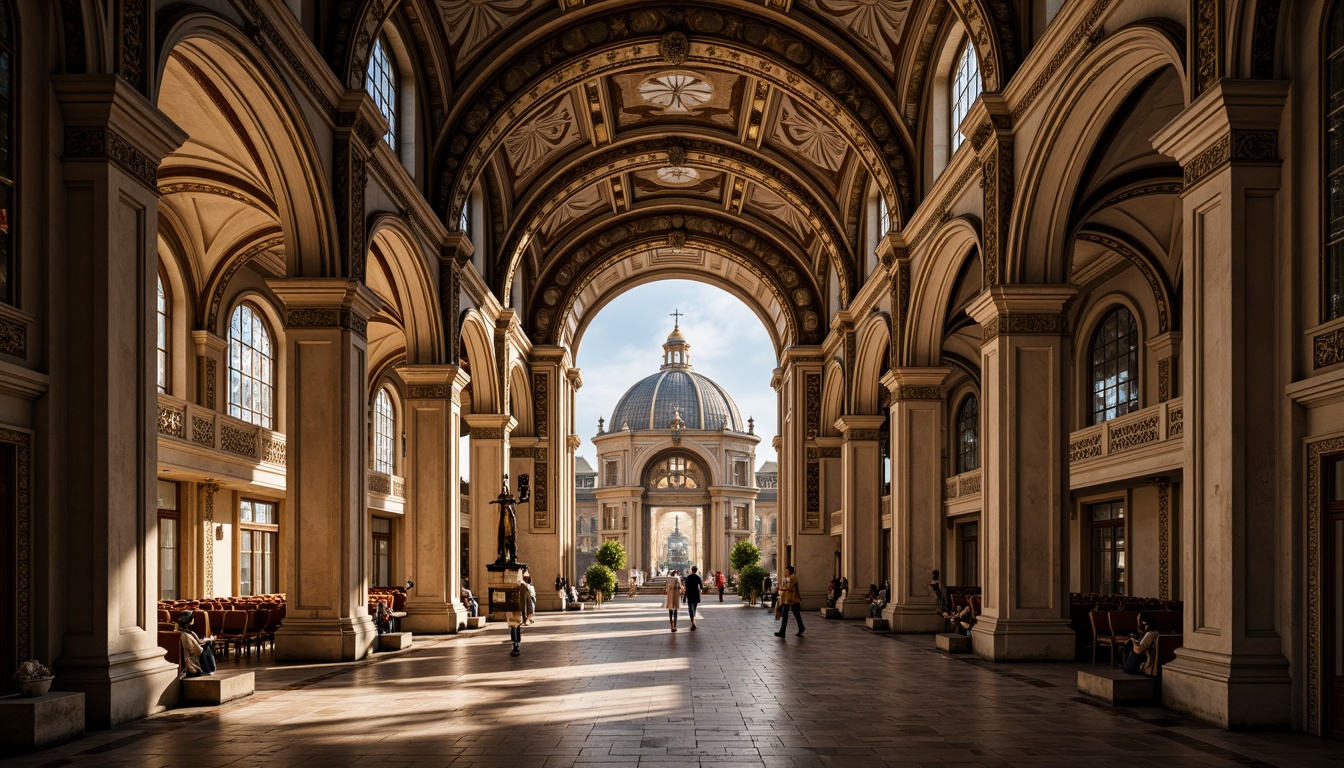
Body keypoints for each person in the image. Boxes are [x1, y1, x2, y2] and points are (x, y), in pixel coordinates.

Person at [176, 610, 216, 677]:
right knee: (207, 645)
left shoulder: (181, 629)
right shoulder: (185, 634)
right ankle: (209, 669)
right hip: (192, 656)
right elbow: (196, 650)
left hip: (193, 650)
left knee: (206, 642)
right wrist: (205, 642)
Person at [774, 565, 804, 637]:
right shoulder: (786, 578)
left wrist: (780, 588)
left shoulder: (793, 578)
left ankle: (801, 627)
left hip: (793, 598)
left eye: (787, 571)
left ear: (790, 571)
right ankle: (782, 632)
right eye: (785, 570)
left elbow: (788, 588)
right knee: (785, 614)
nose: (785, 572)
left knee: (796, 614)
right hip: (786, 598)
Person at [683, 565, 704, 631]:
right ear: (696, 570)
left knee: (690, 607)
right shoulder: (698, 577)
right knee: (694, 607)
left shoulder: (688, 577)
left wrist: (684, 596)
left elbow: (686, 586)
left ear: (691, 570)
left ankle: (692, 621)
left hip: (690, 593)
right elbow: (701, 587)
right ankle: (693, 619)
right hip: (695, 594)